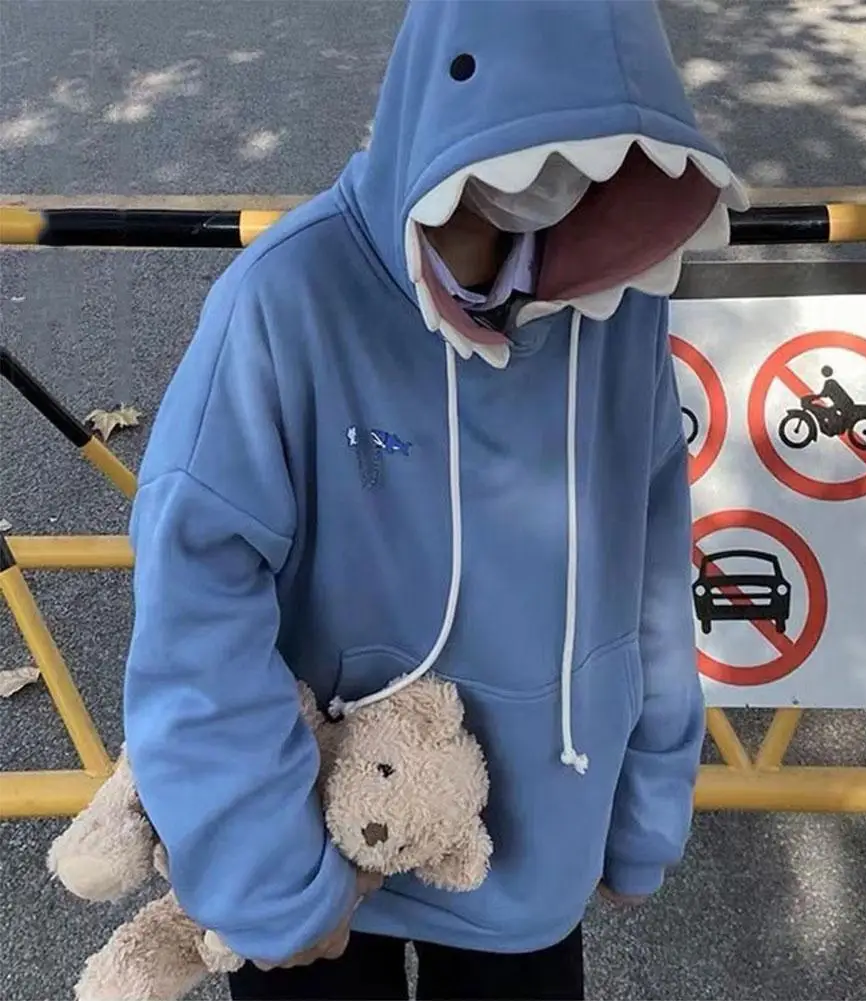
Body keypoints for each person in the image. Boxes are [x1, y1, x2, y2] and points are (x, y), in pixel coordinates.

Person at [122, 2, 745, 999]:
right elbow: (193, 598)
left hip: (533, 836)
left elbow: (650, 555)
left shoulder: (618, 303)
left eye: (601, 135)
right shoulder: (285, 298)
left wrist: (646, 802)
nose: (559, 168)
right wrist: (263, 873)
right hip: (317, 825)